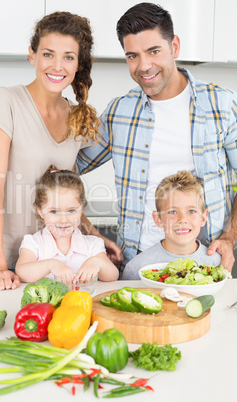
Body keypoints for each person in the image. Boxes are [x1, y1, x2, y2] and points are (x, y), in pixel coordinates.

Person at [77, 2, 237, 273]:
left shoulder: (221, 103)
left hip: (209, 259)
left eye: (153, 51)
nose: (144, 65)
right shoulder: (120, 112)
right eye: (132, 56)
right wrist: (88, 230)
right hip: (139, 261)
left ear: (174, 46)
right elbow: (67, 168)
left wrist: (230, 238)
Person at [0, 11, 120, 290]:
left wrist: (96, 238)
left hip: (50, 264)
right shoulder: (7, 102)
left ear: (78, 64)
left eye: (68, 57)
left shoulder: (76, 117)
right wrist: (0, 266)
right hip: (0, 263)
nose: (57, 66)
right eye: (48, 54)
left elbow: (65, 195)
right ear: (32, 55)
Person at [15, 165, 119, 283]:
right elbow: (22, 272)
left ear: (82, 209)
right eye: (54, 211)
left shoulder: (93, 245)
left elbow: (112, 276)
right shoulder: (34, 243)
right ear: (40, 211)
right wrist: (51, 265)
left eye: (71, 211)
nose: (63, 220)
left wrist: (98, 262)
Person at [122, 171, 222, 279]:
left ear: (203, 218)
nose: (182, 219)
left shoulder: (216, 262)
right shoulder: (136, 268)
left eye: (191, 211)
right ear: (158, 219)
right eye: (173, 212)